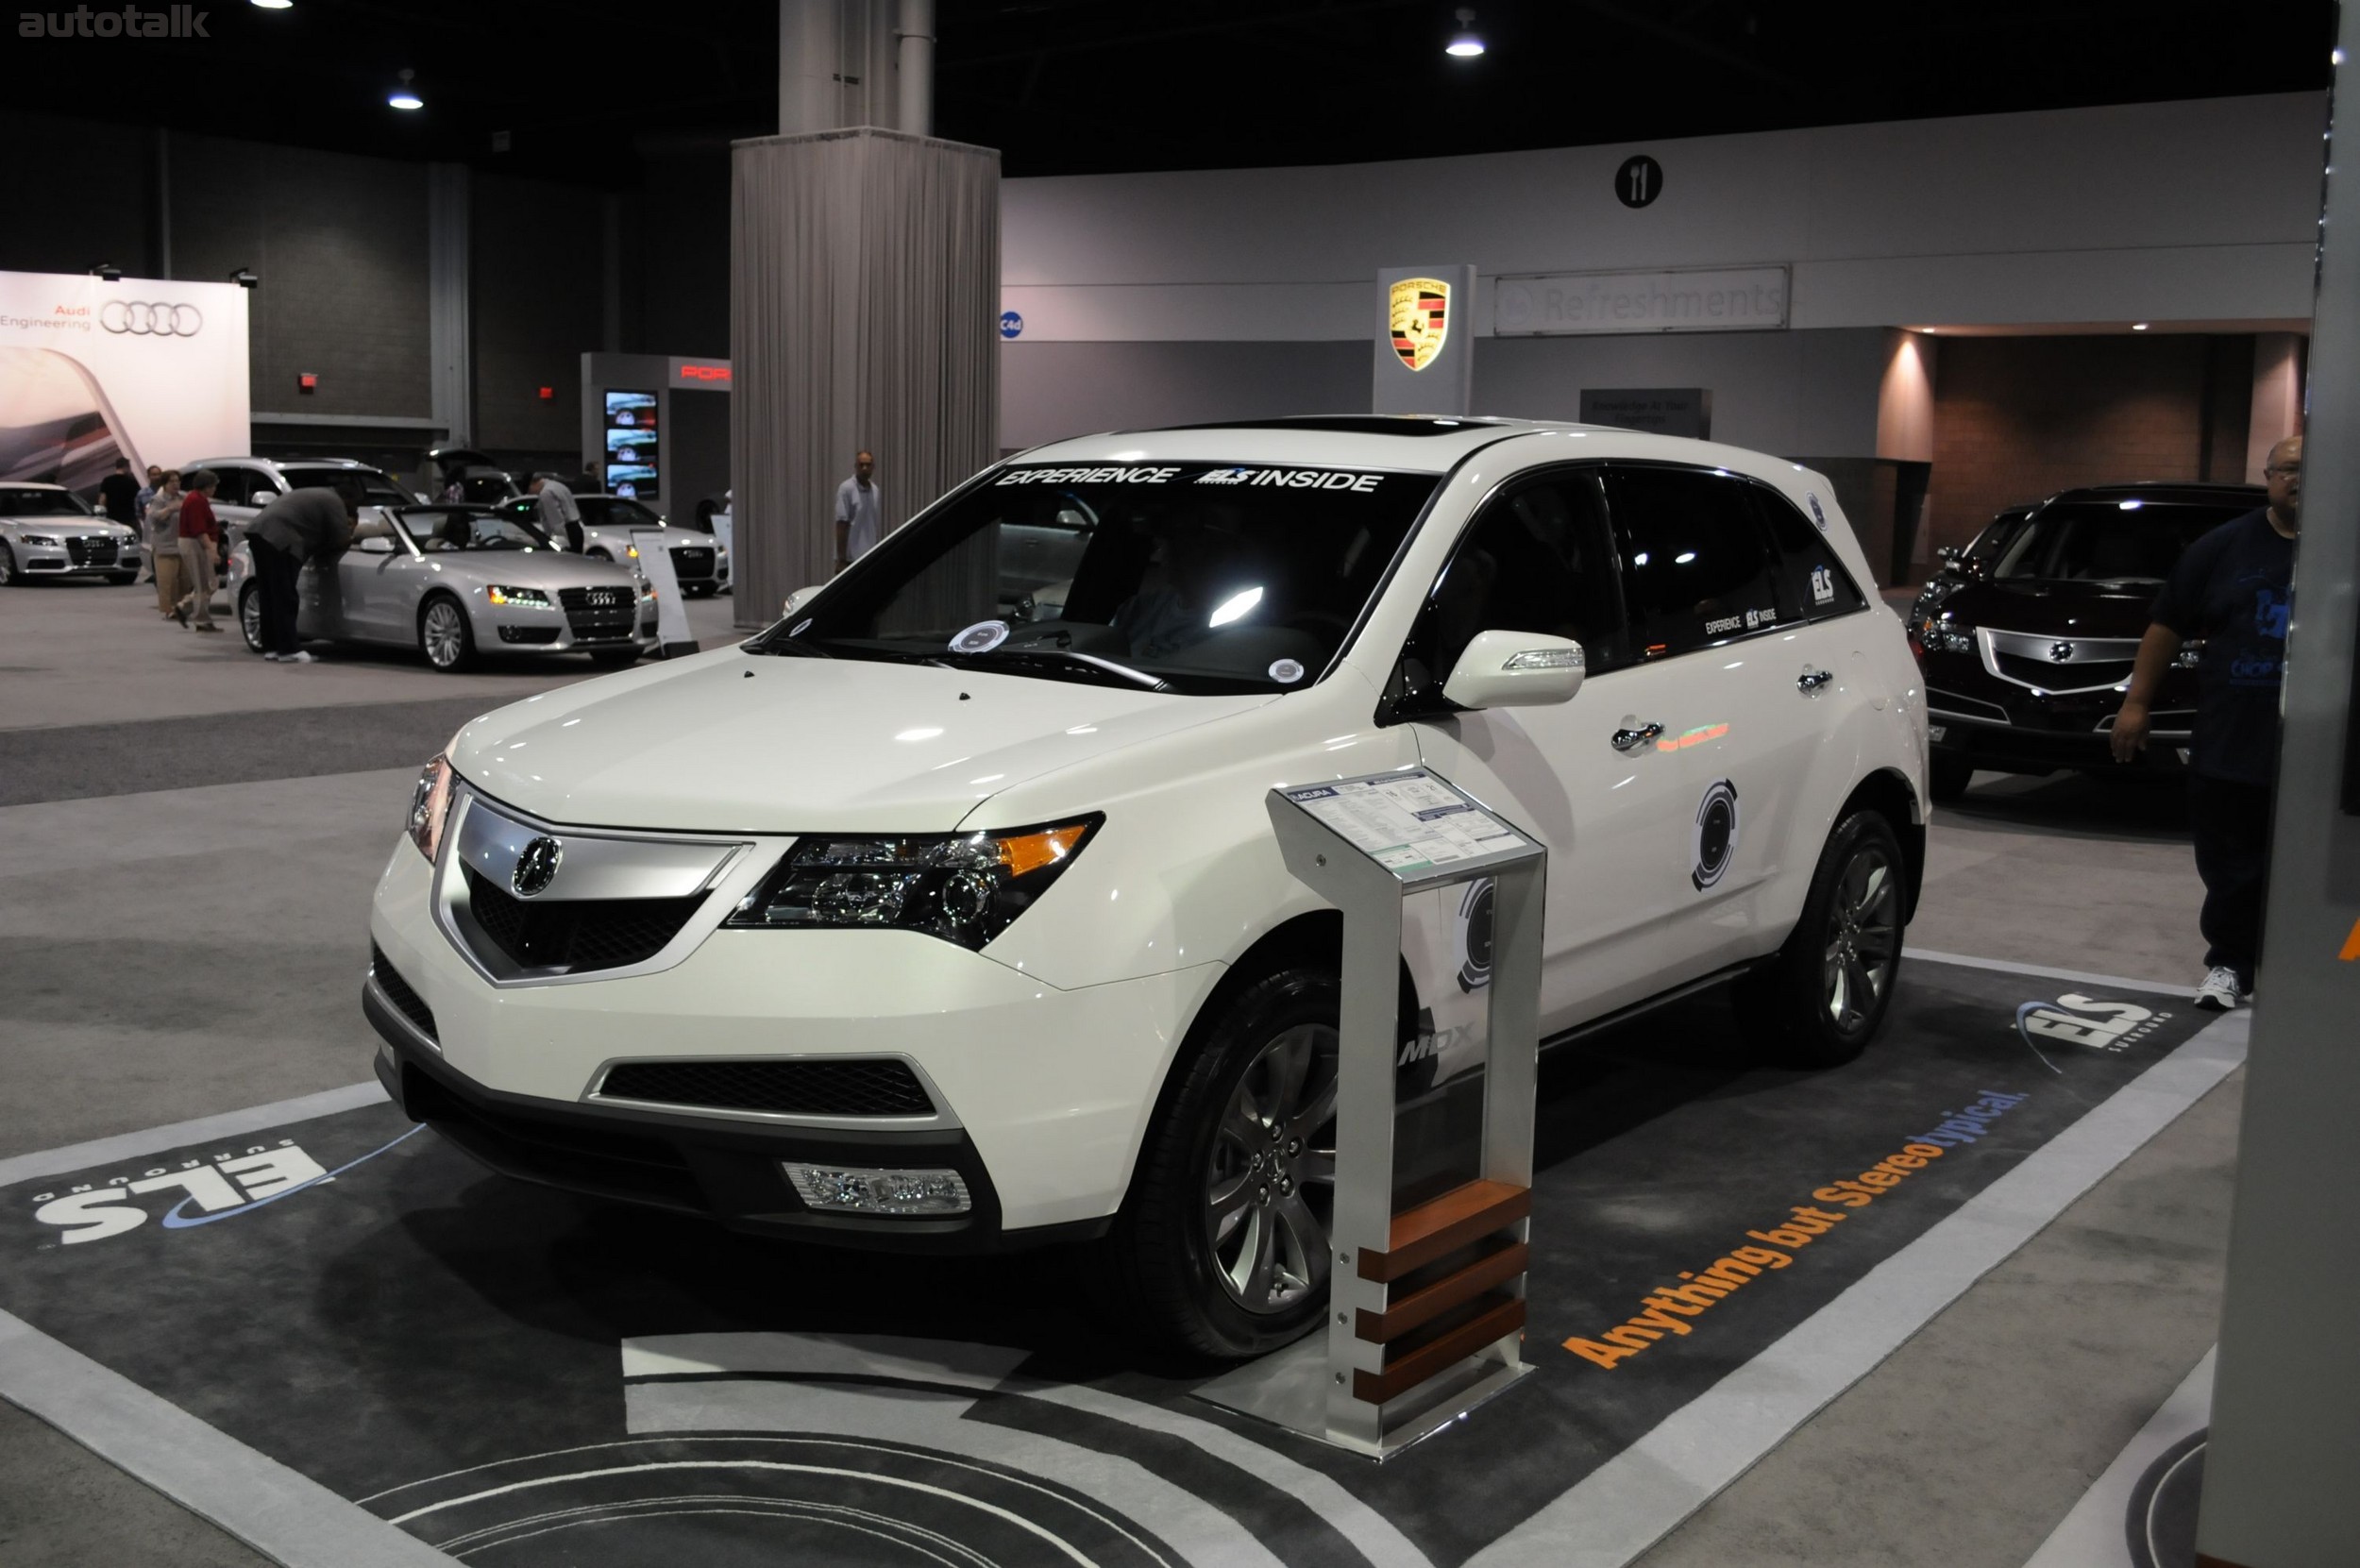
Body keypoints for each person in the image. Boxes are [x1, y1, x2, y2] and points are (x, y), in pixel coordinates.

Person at [2111, 433, 2301, 1011]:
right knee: (2230, 861)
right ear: (2268, 476)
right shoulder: (2222, 548)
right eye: (2289, 468)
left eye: (2313, 469)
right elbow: (2165, 626)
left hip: (2324, 745)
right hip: (2235, 735)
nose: (2300, 478)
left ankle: (2318, 971)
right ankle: (2231, 965)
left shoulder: (2346, 544)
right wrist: (2137, 703)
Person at [246, 485, 358, 664]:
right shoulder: (335, 502)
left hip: (257, 531)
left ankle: (273, 647)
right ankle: (289, 649)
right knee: (285, 595)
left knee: (268, 593)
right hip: (280, 537)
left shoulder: (316, 494)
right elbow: (341, 539)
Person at [173, 469, 223, 632]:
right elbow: (199, 530)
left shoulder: (198, 499)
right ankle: (201, 620)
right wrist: (212, 550)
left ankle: (184, 607)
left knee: (207, 582)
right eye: (213, 486)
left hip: (195, 542)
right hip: (193, 543)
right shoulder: (196, 501)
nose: (215, 489)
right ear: (206, 486)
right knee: (204, 583)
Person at [834, 449, 881, 574]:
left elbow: (873, 524)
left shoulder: (875, 490)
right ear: (856, 467)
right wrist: (841, 560)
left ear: (873, 467)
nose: (864, 468)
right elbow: (841, 524)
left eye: (868, 464)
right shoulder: (846, 489)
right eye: (861, 465)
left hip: (869, 556)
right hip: (850, 560)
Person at [145, 470, 183, 618]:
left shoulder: (182, 498)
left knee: (183, 580)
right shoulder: (158, 499)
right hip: (164, 546)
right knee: (167, 580)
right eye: (172, 481)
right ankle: (169, 609)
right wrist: (171, 508)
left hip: (181, 545)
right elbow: (154, 517)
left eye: (177, 481)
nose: (175, 484)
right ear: (165, 484)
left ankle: (181, 607)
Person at [529, 474, 582, 551]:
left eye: (530, 490)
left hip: (566, 532)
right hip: (576, 528)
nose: (532, 493)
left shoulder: (546, 493)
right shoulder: (557, 485)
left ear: (533, 484)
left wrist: (548, 538)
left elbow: (556, 521)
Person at [132, 464, 162, 582]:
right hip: (150, 529)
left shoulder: (166, 492)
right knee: (152, 552)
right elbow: (138, 512)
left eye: (159, 474)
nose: (157, 477)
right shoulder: (142, 493)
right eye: (154, 475)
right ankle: (155, 572)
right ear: (149, 476)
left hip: (166, 528)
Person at [97, 456, 140, 533]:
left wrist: (102, 514)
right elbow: (137, 500)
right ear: (126, 467)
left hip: (112, 518)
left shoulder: (107, 480)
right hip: (129, 517)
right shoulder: (131, 481)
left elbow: (102, 499)